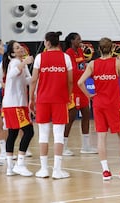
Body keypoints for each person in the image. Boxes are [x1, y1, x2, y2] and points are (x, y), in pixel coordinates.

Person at [77, 37, 120, 181]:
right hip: (114, 104)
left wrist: (89, 95)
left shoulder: (92, 64)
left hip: (98, 103)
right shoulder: (116, 63)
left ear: (98, 49)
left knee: (101, 136)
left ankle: (105, 171)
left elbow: (80, 82)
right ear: (112, 49)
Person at [29, 31, 73, 179]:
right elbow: (70, 81)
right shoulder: (66, 57)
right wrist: (68, 95)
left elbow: (34, 80)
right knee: (59, 134)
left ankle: (43, 169)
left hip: (42, 100)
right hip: (60, 99)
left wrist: (31, 98)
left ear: (47, 43)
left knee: (43, 134)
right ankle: (57, 170)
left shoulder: (40, 57)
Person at [2, 40, 34, 176]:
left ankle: (10, 167)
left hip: (17, 103)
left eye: (20, 46)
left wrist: (36, 77)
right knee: (29, 131)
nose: (20, 48)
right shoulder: (15, 63)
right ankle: (20, 164)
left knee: (13, 133)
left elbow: (27, 80)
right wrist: (24, 63)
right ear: (12, 53)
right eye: (17, 47)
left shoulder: (21, 64)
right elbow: (11, 75)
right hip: (14, 104)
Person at [62, 32, 96, 156]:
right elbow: (74, 71)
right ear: (72, 41)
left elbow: (83, 68)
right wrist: (85, 73)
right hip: (73, 89)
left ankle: (86, 146)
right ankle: (63, 146)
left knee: (87, 114)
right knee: (71, 117)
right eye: (78, 39)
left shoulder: (80, 52)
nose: (80, 41)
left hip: (81, 87)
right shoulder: (68, 53)